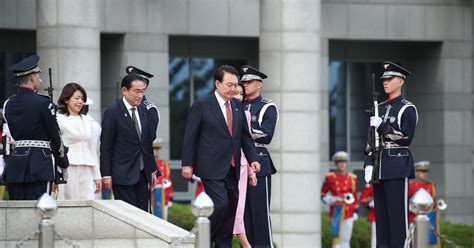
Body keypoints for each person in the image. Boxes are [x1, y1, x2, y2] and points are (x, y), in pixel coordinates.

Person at [181, 65, 260, 248]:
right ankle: (202, 239)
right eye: (229, 85)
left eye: (235, 85)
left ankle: (222, 244)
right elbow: (190, 136)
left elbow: (245, 137)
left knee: (231, 209)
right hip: (211, 166)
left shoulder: (237, 106)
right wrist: (187, 164)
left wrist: (253, 159)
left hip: (233, 168)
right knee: (220, 204)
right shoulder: (202, 104)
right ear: (217, 83)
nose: (233, 89)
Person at [363, 61, 418, 247]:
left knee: (397, 219)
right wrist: (368, 162)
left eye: (390, 78)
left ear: (401, 81)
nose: (385, 82)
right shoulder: (381, 106)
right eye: (384, 79)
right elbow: (371, 138)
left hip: (397, 165)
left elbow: (406, 138)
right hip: (380, 167)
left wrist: (383, 126)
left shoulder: (407, 108)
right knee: (382, 221)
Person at [2, 55, 69, 200]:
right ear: (32, 78)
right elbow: (55, 136)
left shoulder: (8, 104)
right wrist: (63, 161)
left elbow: (10, 135)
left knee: (17, 213)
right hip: (40, 163)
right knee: (41, 211)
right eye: (38, 76)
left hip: (16, 164)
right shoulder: (44, 103)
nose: (39, 79)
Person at [100, 72, 160, 211]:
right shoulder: (113, 111)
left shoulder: (144, 110)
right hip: (122, 173)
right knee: (129, 214)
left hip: (142, 173)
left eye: (143, 91)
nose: (140, 95)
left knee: (143, 213)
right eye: (136, 91)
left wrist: (152, 170)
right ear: (125, 90)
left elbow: (146, 144)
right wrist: (106, 174)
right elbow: (106, 146)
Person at [241, 65, 278, 248]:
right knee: (243, 215)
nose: (244, 85)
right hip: (240, 162)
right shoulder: (238, 104)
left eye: (248, 82)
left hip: (258, 159)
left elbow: (267, 135)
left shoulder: (267, 106)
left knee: (260, 214)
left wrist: (244, 129)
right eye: (244, 82)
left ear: (259, 84)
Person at [56, 83, 102, 200]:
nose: (80, 102)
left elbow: (92, 148)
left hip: (86, 167)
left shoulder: (87, 120)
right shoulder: (59, 119)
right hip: (67, 167)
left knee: (88, 201)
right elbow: (55, 147)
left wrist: (97, 176)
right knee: (69, 202)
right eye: (76, 98)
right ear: (66, 99)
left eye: (82, 99)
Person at [233, 82, 258, 248]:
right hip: (221, 168)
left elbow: (247, 144)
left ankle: (245, 245)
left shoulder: (246, 115)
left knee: (238, 209)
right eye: (236, 93)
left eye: (241, 94)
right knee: (224, 208)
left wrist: (251, 173)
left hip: (241, 168)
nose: (238, 97)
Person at [321, 151, 359, 248]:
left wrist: (356, 211)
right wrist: (331, 199)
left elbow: (354, 196)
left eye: (344, 162)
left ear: (346, 164)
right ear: (335, 164)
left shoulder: (352, 178)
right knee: (336, 239)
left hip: (349, 211)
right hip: (336, 211)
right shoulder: (330, 178)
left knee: (346, 239)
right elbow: (322, 194)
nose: (342, 164)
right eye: (339, 162)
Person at [408, 161, 440, 248]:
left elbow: (433, 204)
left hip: (427, 219)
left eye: (426, 171)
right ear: (416, 173)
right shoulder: (410, 186)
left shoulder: (431, 186)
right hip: (413, 220)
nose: (425, 174)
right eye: (422, 171)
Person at [151, 139, 174, 220]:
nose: (156, 151)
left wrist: (170, 197)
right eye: (154, 149)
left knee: (163, 219)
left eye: (157, 149)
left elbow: (168, 181)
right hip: (151, 196)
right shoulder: (147, 164)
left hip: (163, 196)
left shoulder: (165, 164)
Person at [360, 183, 376, 248]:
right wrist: (371, 198)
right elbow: (363, 200)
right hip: (374, 215)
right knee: (374, 237)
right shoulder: (370, 186)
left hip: (387, 215)